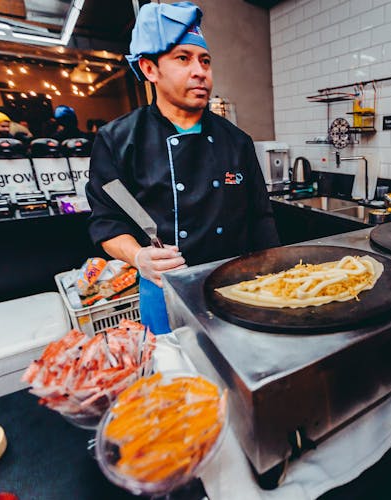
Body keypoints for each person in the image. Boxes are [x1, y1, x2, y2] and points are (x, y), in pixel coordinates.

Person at [85, 2, 279, 334]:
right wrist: (138, 257)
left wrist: (275, 277)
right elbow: (107, 223)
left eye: (205, 60)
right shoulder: (117, 140)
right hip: (164, 288)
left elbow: (261, 217)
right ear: (149, 69)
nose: (200, 71)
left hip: (238, 284)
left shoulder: (237, 141)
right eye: (182, 59)